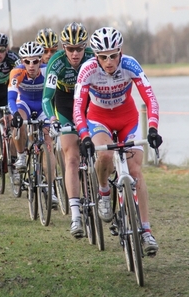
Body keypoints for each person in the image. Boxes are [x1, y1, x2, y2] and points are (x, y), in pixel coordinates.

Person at [73, 27, 163, 256]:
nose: (109, 61)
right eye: (103, 57)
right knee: (104, 155)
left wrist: (152, 128)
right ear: (96, 56)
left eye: (113, 55)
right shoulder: (88, 70)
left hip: (127, 119)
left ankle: (145, 230)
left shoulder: (130, 64)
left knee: (135, 171)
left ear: (120, 52)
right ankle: (104, 190)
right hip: (99, 118)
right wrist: (84, 136)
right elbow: (77, 109)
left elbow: (150, 99)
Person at [42, 22, 94, 237]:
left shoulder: (93, 57)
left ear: (85, 47)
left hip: (90, 101)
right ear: (63, 47)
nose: (75, 53)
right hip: (65, 102)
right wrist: (53, 118)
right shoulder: (56, 62)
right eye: (70, 49)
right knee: (71, 156)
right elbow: (47, 97)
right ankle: (75, 217)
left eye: (79, 48)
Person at [8, 41, 58, 205]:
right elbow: (11, 97)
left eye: (35, 61)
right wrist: (14, 114)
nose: (31, 65)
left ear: (41, 60)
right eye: (27, 61)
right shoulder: (17, 72)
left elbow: (55, 95)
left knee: (48, 143)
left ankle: (50, 189)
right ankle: (21, 155)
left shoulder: (47, 70)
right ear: (22, 61)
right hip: (25, 105)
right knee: (18, 122)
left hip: (43, 106)